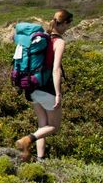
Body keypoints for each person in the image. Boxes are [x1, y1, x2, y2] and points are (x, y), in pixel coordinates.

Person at [15, 9, 73, 162]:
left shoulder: (43, 38)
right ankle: (26, 140)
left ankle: (40, 159)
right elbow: (56, 69)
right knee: (54, 127)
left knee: (43, 125)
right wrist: (58, 93)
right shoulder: (59, 42)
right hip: (47, 88)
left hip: (32, 86)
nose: (68, 28)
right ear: (64, 23)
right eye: (68, 24)